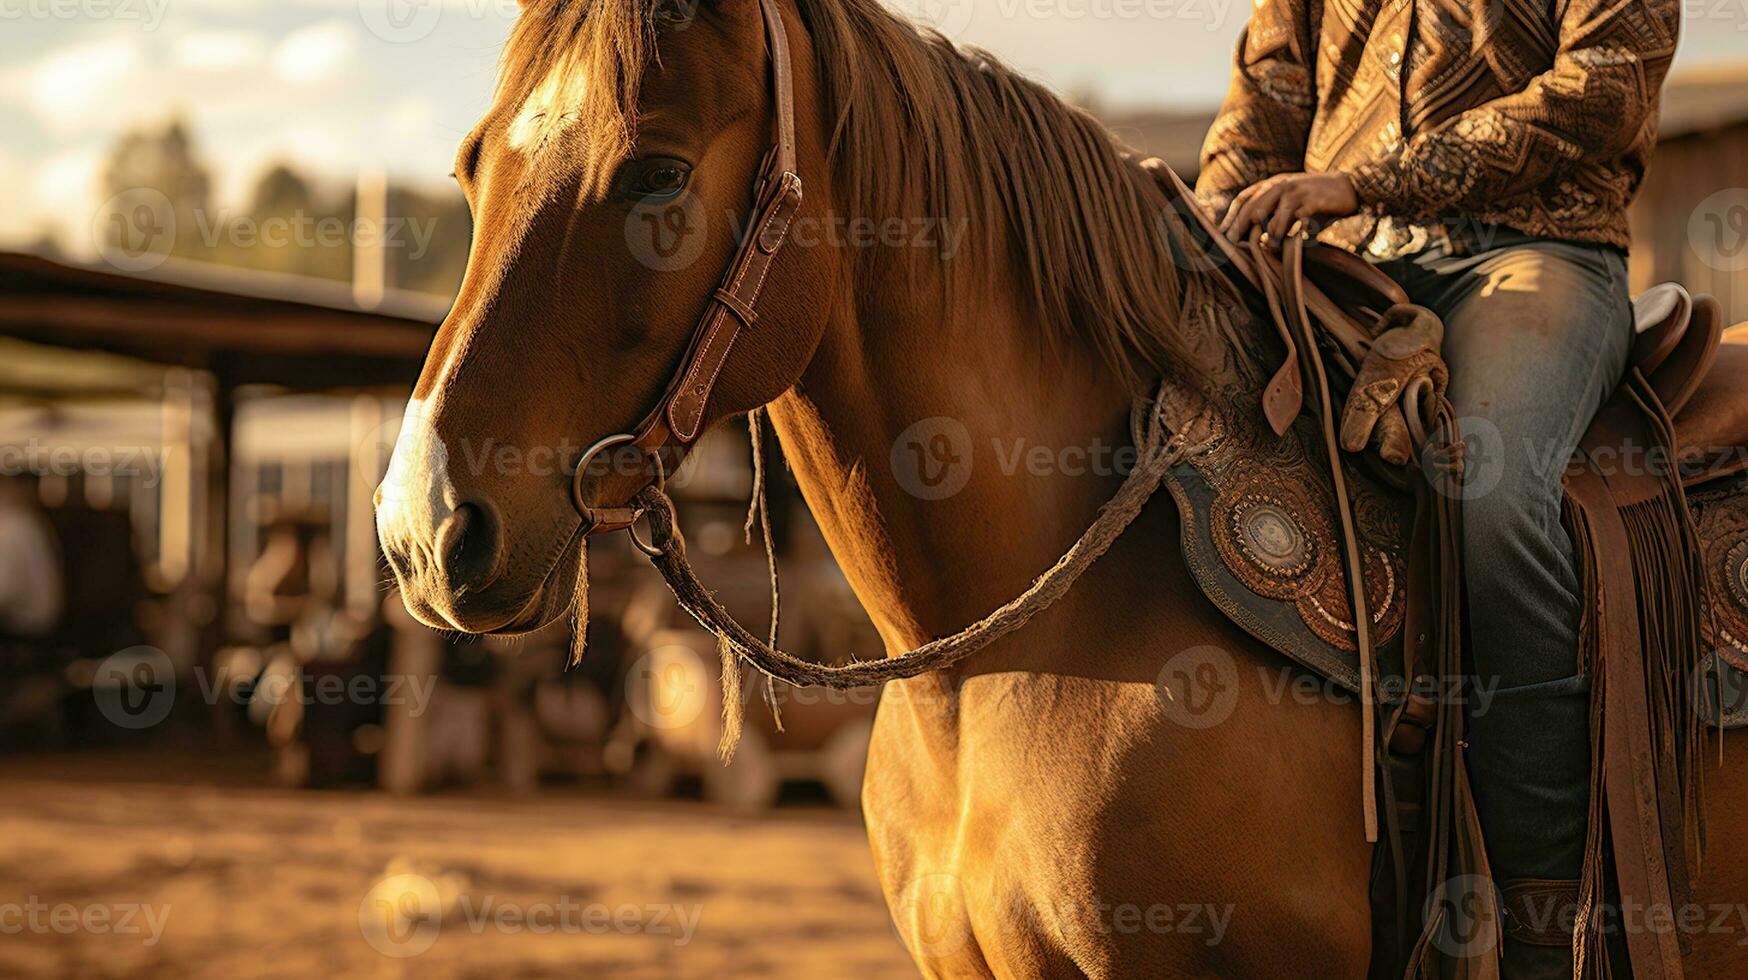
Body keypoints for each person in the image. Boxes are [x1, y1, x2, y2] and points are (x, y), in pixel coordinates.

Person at [1196, 0, 1679, 974]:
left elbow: (1603, 87)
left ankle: (1549, 923)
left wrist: (1360, 181)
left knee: (1489, 493)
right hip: (1334, 268)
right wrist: (1211, 224)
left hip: (1529, 252)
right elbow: (1264, 98)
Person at [0, 473, 64, 639]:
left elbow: (5, 592)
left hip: (25, 633)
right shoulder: (26, 522)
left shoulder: (15, 527)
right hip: (33, 628)